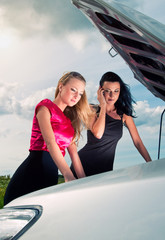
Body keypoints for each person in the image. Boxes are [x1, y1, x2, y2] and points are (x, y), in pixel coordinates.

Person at [4, 71, 92, 205]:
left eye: (80, 93)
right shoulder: (45, 107)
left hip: (52, 174)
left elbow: (74, 155)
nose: (76, 96)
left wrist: (85, 183)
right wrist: (68, 175)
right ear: (61, 87)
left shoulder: (69, 122)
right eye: (73, 90)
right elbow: (51, 143)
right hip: (33, 169)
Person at [71, 72, 152, 177]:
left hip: (105, 169)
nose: (112, 95)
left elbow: (138, 142)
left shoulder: (124, 115)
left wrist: (150, 164)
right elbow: (97, 133)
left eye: (116, 91)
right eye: (107, 91)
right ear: (100, 90)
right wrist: (103, 106)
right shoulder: (92, 109)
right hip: (83, 165)